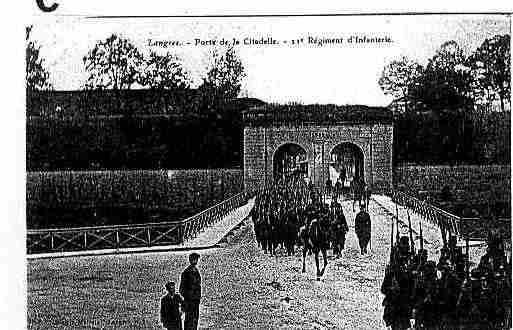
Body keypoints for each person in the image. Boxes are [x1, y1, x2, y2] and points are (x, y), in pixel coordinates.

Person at [180, 253, 202, 330]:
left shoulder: (196, 270)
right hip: (190, 301)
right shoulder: (186, 272)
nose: (196, 261)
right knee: (189, 319)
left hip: (196, 300)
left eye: (196, 259)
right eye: (194, 259)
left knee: (195, 319)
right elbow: (181, 289)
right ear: (190, 260)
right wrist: (188, 297)